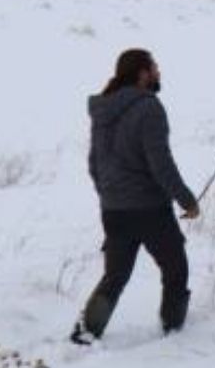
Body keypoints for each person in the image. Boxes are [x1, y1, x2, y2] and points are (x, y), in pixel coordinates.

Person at [71, 49, 200, 345]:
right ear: (142, 73)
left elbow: (94, 163)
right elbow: (161, 163)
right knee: (175, 267)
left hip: (113, 209)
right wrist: (187, 200)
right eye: (154, 67)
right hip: (149, 209)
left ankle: (86, 334)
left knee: (115, 276)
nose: (158, 72)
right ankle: (173, 331)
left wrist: (109, 195)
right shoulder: (149, 107)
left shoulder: (103, 110)